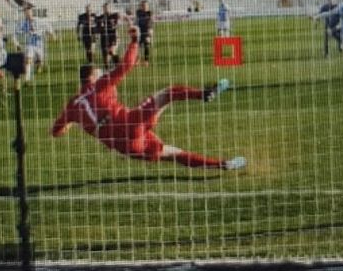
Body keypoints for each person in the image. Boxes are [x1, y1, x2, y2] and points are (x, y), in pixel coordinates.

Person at [51, 25, 246, 170]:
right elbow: (126, 65)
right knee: (168, 94)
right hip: (129, 123)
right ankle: (204, 94)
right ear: (92, 76)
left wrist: (71, 124)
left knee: (172, 154)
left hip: (123, 146)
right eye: (100, 72)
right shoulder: (100, 85)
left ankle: (223, 165)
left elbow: (56, 131)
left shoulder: (72, 106)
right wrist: (135, 41)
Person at [15, 6, 55, 84]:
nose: (27, 14)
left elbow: (48, 26)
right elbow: (17, 33)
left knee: (40, 60)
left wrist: (52, 34)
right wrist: (17, 43)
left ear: (32, 12)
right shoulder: (23, 23)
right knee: (28, 61)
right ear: (24, 14)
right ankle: (27, 79)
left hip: (39, 45)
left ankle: (39, 63)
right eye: (26, 12)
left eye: (29, 12)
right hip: (30, 45)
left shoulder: (38, 21)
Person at [96, 2, 121, 68]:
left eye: (108, 7)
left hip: (113, 36)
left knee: (112, 51)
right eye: (105, 8)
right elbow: (97, 30)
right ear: (103, 9)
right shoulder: (100, 18)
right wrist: (100, 27)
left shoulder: (114, 15)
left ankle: (118, 66)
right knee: (105, 58)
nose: (106, 9)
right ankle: (108, 71)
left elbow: (118, 22)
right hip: (104, 38)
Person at [135, 0, 154, 65]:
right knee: (138, 46)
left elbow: (151, 22)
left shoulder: (150, 13)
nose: (144, 7)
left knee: (146, 45)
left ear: (148, 6)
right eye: (143, 5)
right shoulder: (138, 12)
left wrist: (150, 29)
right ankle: (137, 59)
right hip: (139, 31)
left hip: (147, 30)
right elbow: (137, 20)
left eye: (145, 5)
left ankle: (146, 61)